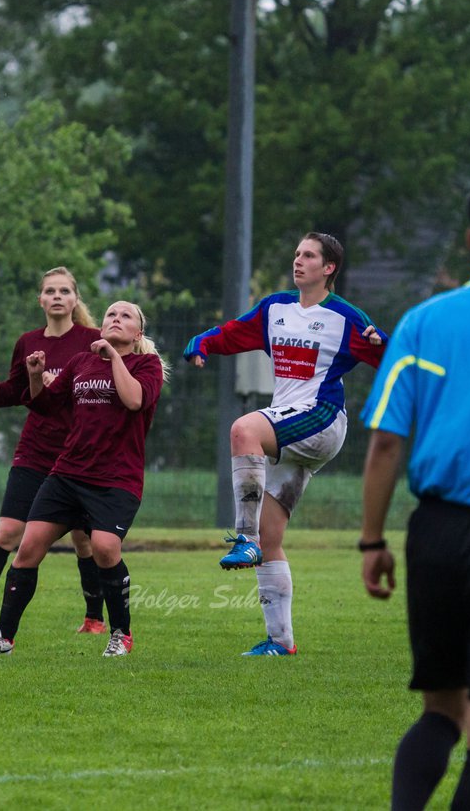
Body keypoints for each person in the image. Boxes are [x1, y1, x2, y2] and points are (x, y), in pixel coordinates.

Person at [360, 175, 470, 811]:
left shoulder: (425, 322)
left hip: (437, 534)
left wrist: (372, 540)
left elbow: (387, 445)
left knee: (441, 712)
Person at [184, 233, 386, 656]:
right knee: (270, 534)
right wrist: (203, 342)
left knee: (244, 430)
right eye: (296, 253)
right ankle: (280, 641)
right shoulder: (275, 307)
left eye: (308, 255)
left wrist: (381, 344)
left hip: (323, 420)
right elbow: (234, 333)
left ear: (329, 268)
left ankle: (243, 538)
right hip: (292, 427)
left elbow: (392, 360)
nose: (298, 260)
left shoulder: (345, 317)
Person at [0, 301, 167, 659]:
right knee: (28, 549)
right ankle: (3, 636)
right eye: (111, 314)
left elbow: (134, 400)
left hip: (116, 478)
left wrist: (113, 357)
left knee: (106, 549)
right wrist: (35, 376)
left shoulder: (146, 365)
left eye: (126, 316)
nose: (116, 318)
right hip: (67, 474)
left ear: (138, 333)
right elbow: (46, 406)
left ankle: (120, 634)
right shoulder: (82, 363)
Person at [0, 267, 107, 636]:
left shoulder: (94, 340)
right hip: (36, 452)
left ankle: (94, 618)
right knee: (8, 532)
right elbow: (16, 393)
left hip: (80, 456)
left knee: (85, 539)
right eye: (50, 291)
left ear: (75, 299)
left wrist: (63, 387)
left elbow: (107, 390)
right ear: (40, 299)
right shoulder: (28, 342)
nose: (57, 296)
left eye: (64, 291)